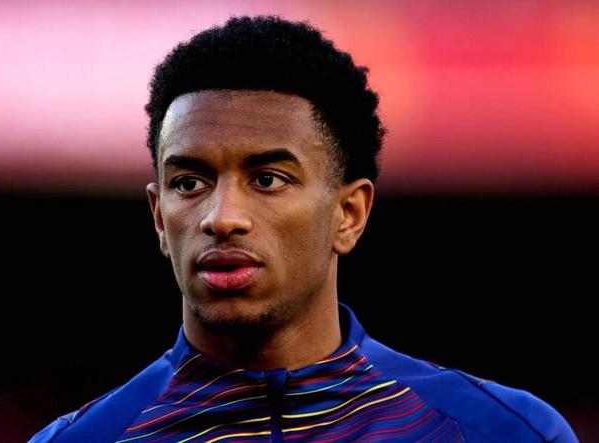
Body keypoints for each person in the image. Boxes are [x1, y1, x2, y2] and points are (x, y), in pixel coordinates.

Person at [30, 15, 577, 443]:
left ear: (349, 214)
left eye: (267, 179)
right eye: (189, 183)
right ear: (158, 216)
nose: (221, 217)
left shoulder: (503, 432)